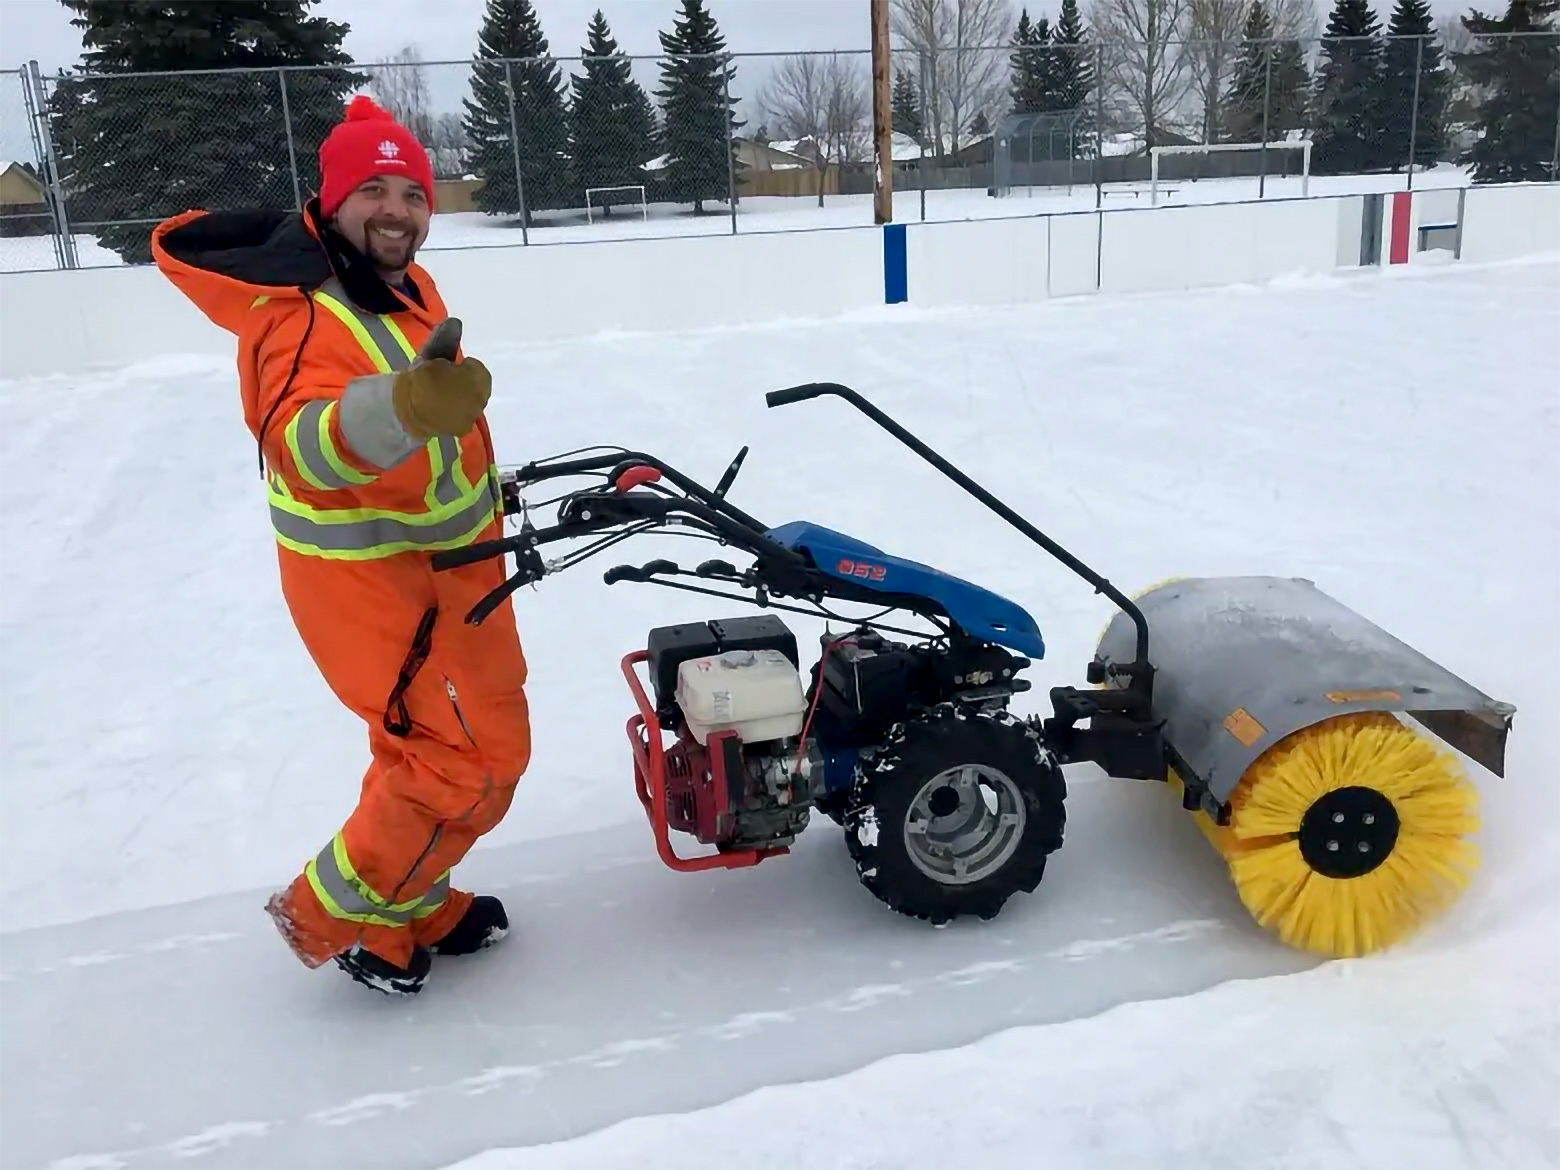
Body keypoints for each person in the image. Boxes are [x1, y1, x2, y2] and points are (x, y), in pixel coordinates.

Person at [151, 95, 531, 996]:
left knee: (427, 753)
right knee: (469, 759)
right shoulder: (299, 313)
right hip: (378, 590)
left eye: (412, 190)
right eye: (375, 189)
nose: (398, 209)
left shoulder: (398, 283)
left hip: (450, 571)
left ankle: (412, 900)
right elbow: (300, 441)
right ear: (332, 198)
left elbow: (427, 432)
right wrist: (395, 410)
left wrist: (485, 486)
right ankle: (338, 919)